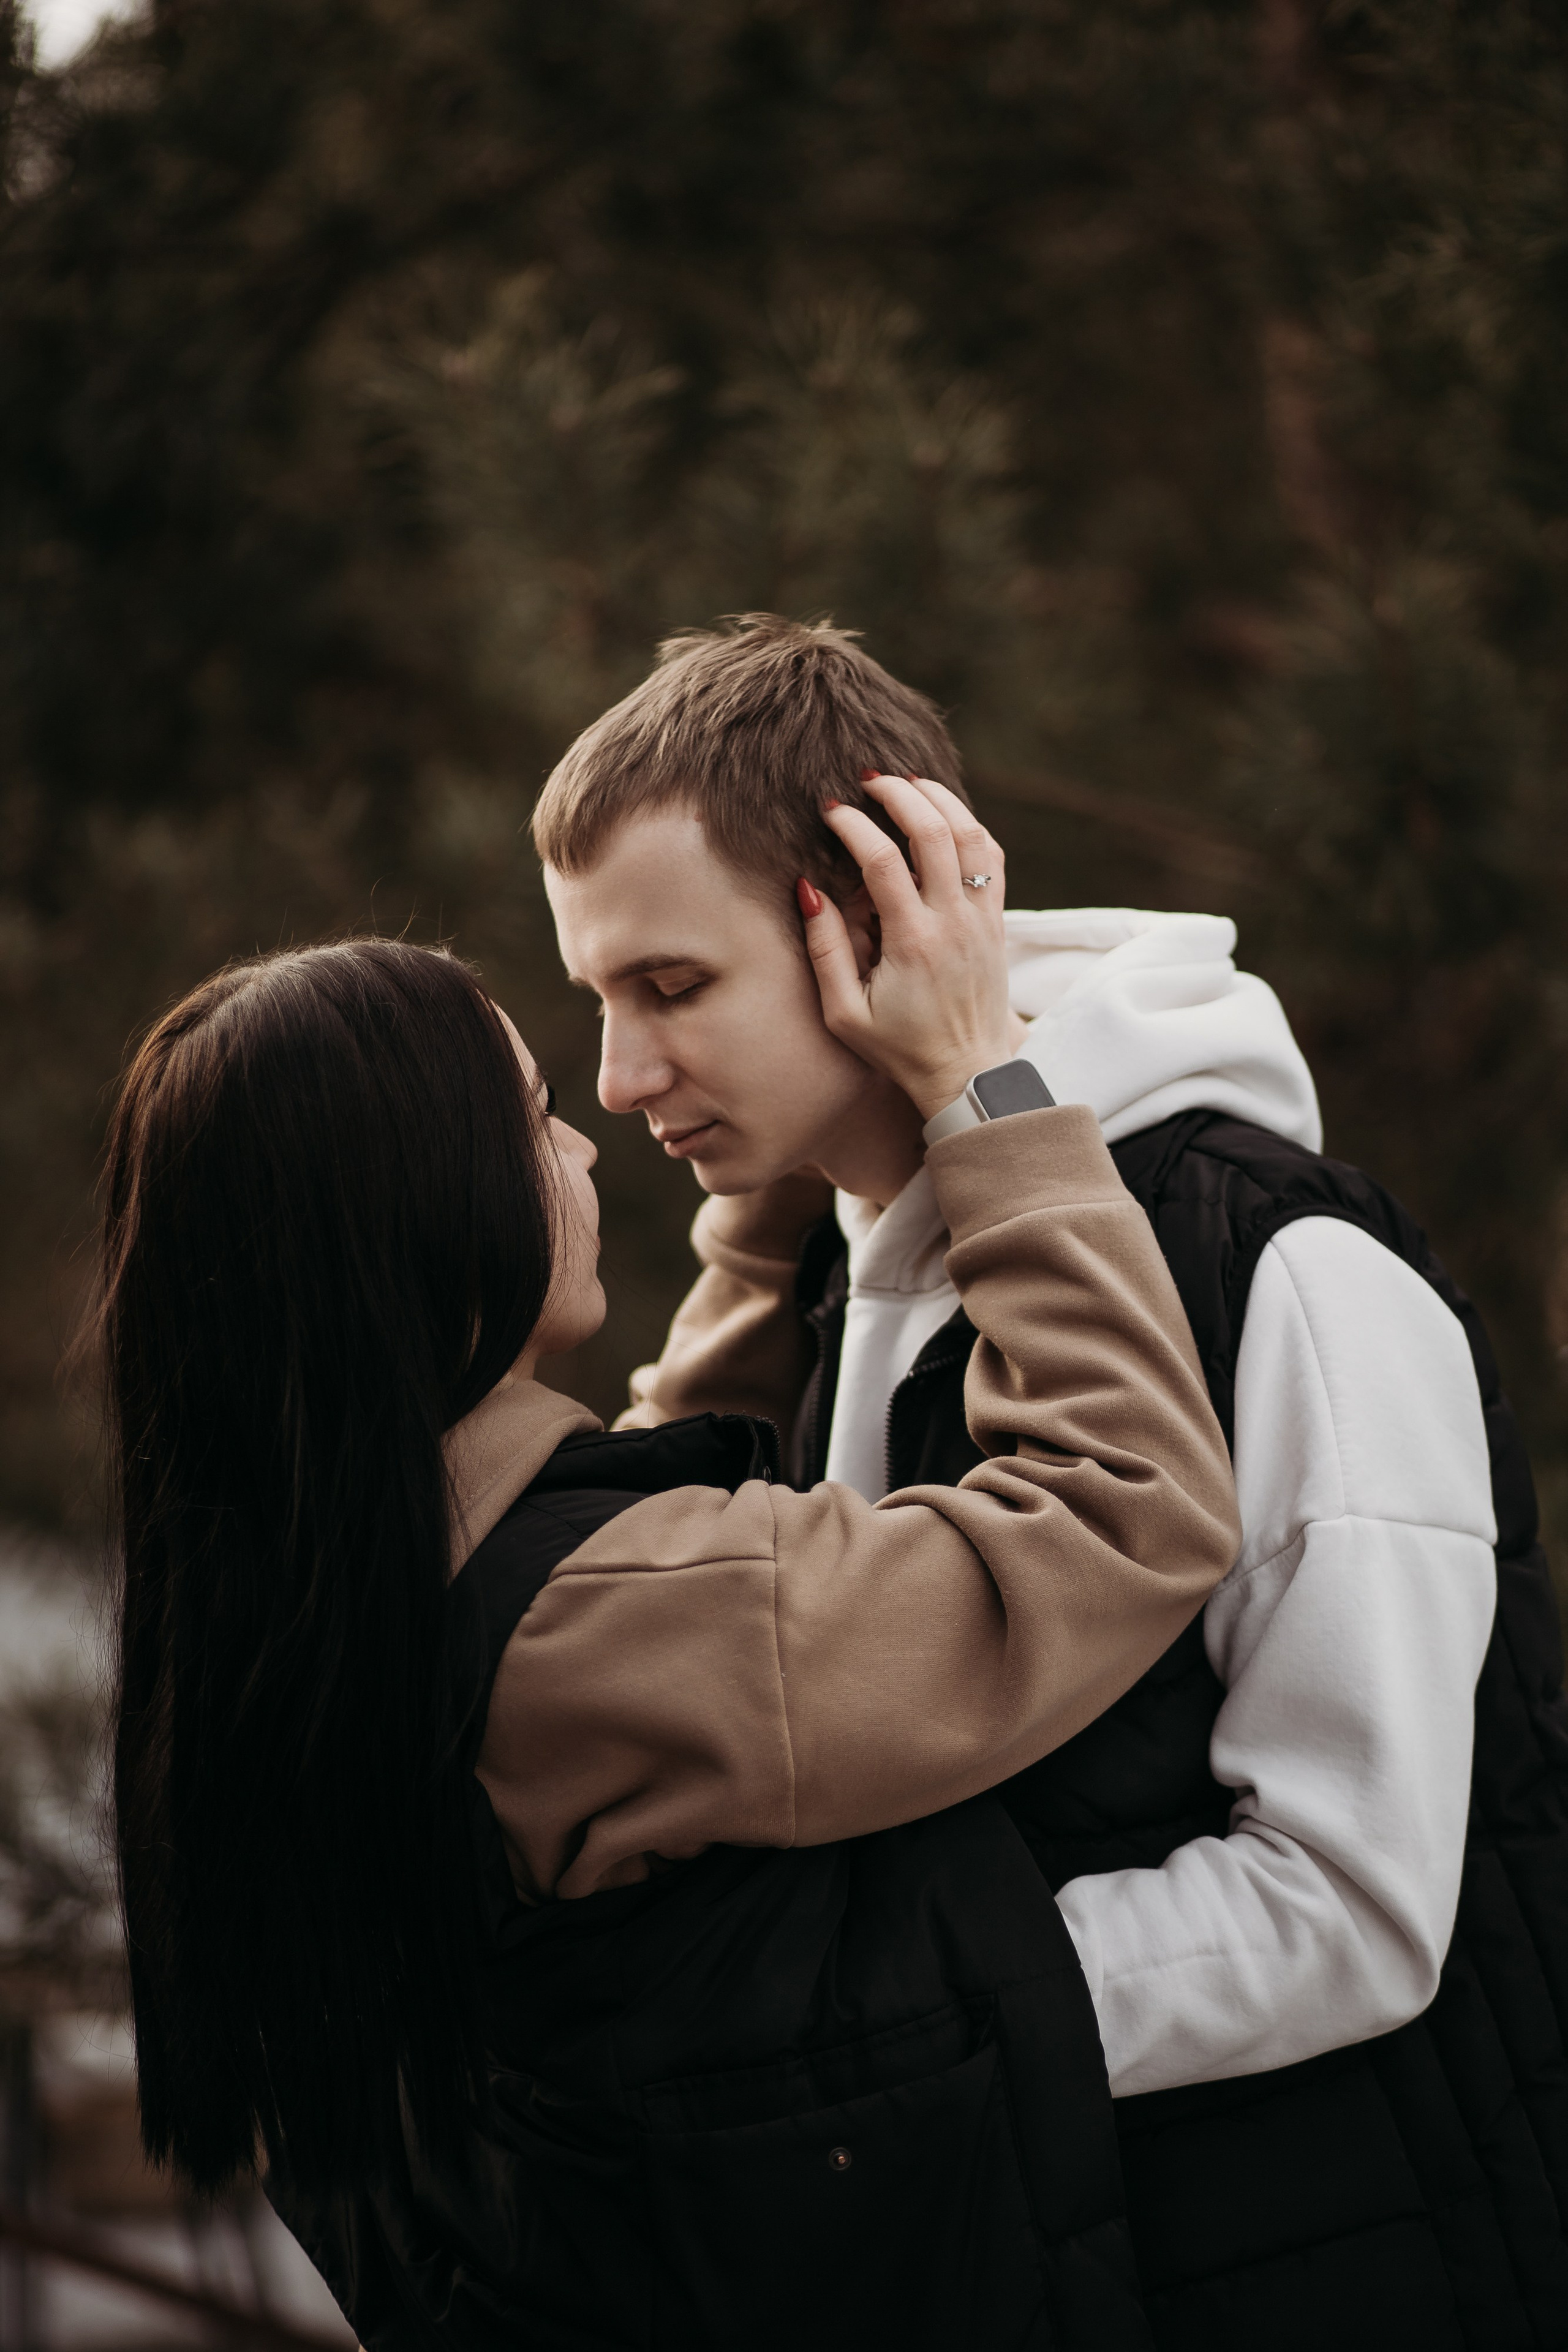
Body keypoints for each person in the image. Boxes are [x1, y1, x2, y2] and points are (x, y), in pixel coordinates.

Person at [535, 611, 1568, 2351]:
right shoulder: (824, 1271)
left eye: (672, 988)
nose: (621, 1077)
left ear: (871, 925)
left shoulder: (1285, 1271)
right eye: (598, 1002)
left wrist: (857, 2032)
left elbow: (1360, 1901)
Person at [99, 790, 1238, 2352]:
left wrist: (783, 1155)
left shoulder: (311, 1581)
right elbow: (1125, 1511)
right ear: (428, 1212)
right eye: (526, 1115)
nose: (593, 1122)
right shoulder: (605, 1625)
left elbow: (646, 1468)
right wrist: (983, 1082)